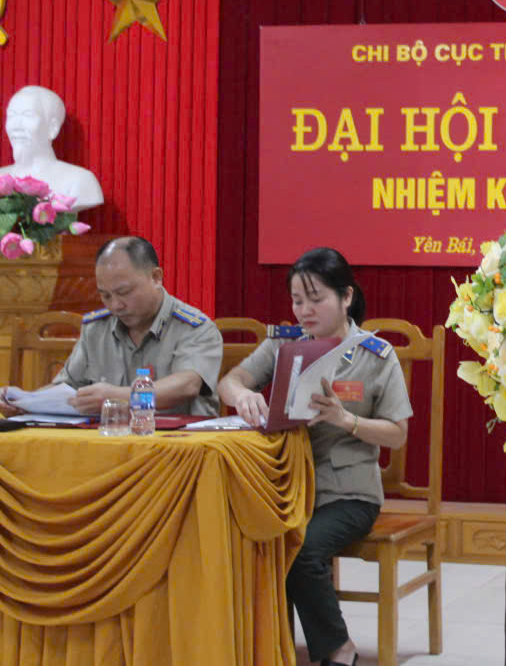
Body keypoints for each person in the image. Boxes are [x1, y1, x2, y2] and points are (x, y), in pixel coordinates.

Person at [218, 247, 412, 666]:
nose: (304, 310)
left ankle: (340, 650)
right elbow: (229, 381)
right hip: (285, 487)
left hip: (348, 493)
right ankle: (270, 649)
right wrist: (243, 394)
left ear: (346, 297)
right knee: (248, 538)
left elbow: (397, 434)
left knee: (301, 549)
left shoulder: (376, 355)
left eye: (316, 299)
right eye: (297, 300)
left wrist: (346, 420)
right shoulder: (284, 345)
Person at [0, 236, 222, 418]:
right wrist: (25, 402)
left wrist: (117, 396)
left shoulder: (195, 327)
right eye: (105, 295)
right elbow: (68, 388)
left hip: (177, 447)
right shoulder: (96, 329)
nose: (116, 305)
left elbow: (187, 385)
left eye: (124, 293)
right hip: (107, 442)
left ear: (156, 277)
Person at [1, 85, 104, 211]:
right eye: (11, 115)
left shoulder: (79, 181)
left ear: (52, 128)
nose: (16, 126)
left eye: (28, 115)